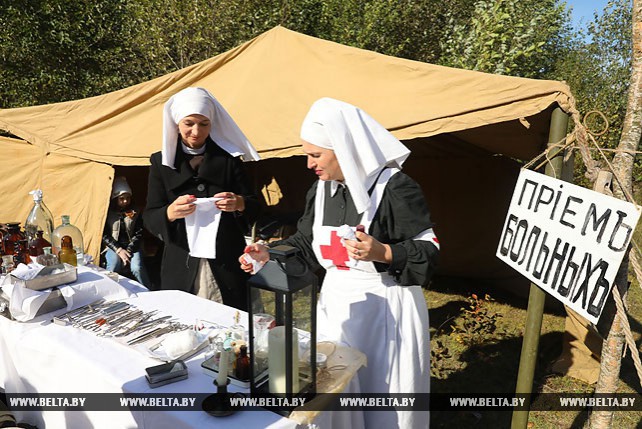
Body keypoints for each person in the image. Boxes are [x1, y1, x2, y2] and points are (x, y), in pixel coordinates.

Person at [241, 97, 439, 429]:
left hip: (386, 312)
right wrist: (268, 254)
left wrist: (384, 253)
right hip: (336, 308)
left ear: (345, 149)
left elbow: (429, 250)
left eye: (315, 155)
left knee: (384, 396)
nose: (308, 164)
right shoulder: (321, 191)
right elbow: (305, 243)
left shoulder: (395, 188)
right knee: (333, 392)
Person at [144, 87, 260, 310]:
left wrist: (239, 203)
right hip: (181, 262)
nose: (196, 132)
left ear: (212, 124)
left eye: (203, 124)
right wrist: (169, 213)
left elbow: (256, 206)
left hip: (225, 262)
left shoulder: (229, 159)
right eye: (189, 123)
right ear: (177, 123)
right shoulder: (161, 163)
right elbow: (150, 215)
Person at [102, 176, 150, 287]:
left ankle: (148, 289)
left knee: (137, 267)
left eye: (128, 198)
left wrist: (129, 250)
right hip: (113, 246)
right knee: (113, 267)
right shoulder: (107, 213)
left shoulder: (136, 211)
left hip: (132, 246)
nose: (125, 201)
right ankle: (110, 289)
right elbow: (105, 235)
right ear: (115, 198)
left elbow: (139, 231)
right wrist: (119, 250)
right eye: (122, 198)